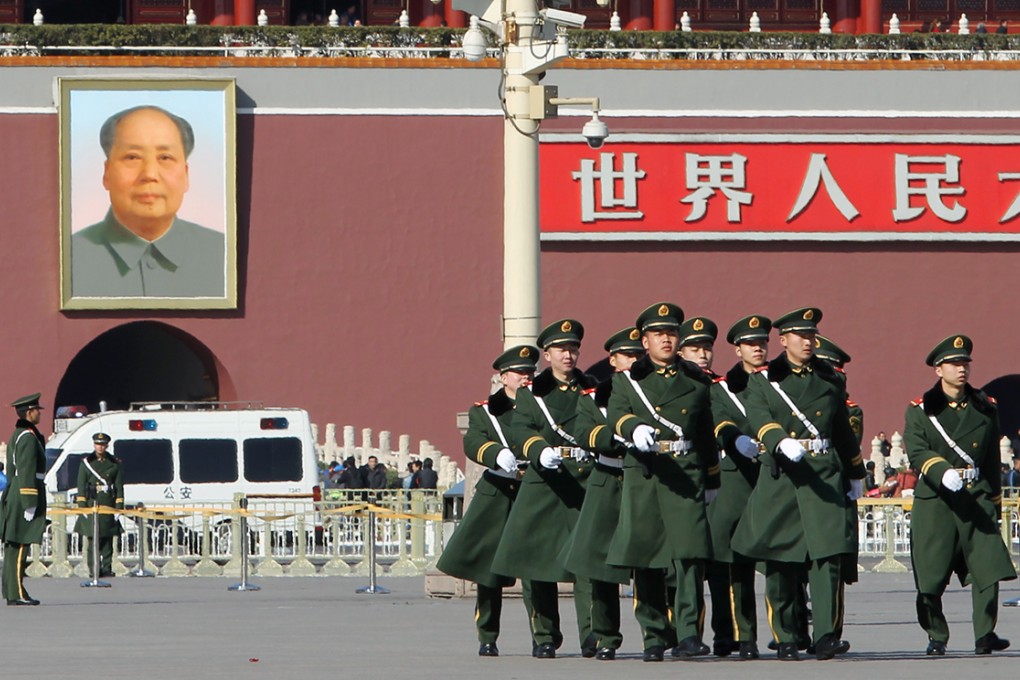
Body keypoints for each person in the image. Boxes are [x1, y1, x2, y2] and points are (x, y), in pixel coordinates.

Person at [731, 308, 865, 661]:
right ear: (783, 340)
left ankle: (826, 636)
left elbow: (841, 429)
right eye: (800, 336)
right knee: (781, 560)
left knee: (828, 556)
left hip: (823, 472)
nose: (807, 342)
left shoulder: (829, 379)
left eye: (811, 336)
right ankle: (786, 636)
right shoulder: (764, 380)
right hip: (783, 475)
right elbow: (759, 417)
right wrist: (778, 441)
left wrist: (855, 472)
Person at [606, 302, 719, 662]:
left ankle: (689, 633)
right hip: (646, 473)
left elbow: (705, 433)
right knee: (647, 558)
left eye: (671, 333)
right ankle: (653, 635)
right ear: (645, 341)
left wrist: (712, 478)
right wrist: (633, 428)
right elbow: (616, 415)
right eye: (658, 334)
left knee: (690, 556)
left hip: (685, 472)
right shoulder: (628, 381)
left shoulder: (696, 382)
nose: (666, 340)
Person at [492, 319, 597, 660]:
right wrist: (538, 449)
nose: (569, 355)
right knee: (537, 565)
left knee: (588, 563)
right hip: (545, 481)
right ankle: (544, 635)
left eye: (573, 349)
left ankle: (594, 634)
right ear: (547, 355)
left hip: (583, 479)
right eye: (561, 350)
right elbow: (521, 429)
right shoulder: (532, 393)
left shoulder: (592, 387)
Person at [904, 334, 1016, 656]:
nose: (961, 369)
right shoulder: (921, 410)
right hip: (936, 499)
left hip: (976, 496)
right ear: (939, 370)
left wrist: (994, 500)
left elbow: (991, 458)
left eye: (965, 363)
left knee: (986, 567)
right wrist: (941, 471)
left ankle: (985, 634)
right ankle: (936, 634)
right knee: (930, 575)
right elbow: (916, 449)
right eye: (954, 364)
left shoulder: (985, 407)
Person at [436, 345, 538, 657]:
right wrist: (496, 454)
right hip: (498, 493)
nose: (525, 377)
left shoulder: (542, 408)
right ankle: (488, 635)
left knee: (536, 569)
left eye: (530, 372)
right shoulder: (485, 412)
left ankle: (543, 636)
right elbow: (474, 442)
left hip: (533, 490)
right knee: (489, 572)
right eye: (519, 373)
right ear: (503, 377)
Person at [71, 105, 226, 299]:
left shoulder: (224, 255)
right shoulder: (68, 258)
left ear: (186, 175)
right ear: (107, 173)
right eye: (133, 157)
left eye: (165, 157)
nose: (150, 174)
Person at [560, 327, 647, 661]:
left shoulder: (654, 394)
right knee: (602, 565)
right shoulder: (594, 396)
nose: (633, 361)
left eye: (638, 355)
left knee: (652, 564)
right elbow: (585, 431)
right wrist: (616, 437)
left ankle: (657, 636)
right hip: (609, 479)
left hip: (646, 479)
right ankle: (605, 636)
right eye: (626, 355)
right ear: (612, 360)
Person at [708, 315, 772, 660]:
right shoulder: (721, 388)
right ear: (737, 350)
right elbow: (720, 421)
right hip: (735, 478)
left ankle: (785, 634)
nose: (757, 349)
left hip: (772, 473)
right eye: (750, 344)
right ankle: (733, 634)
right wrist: (735, 439)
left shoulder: (779, 383)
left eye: (762, 343)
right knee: (730, 562)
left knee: (777, 560)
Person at [677, 314, 734, 657]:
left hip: (719, 480)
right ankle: (688, 634)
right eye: (694, 348)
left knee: (721, 562)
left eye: (707, 348)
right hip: (685, 480)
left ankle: (727, 634)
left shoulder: (722, 387)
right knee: (689, 562)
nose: (703, 354)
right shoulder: (674, 387)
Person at [0, 393, 48, 606]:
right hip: (24, 494)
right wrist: (30, 502)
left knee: (14, 547)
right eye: (37, 410)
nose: (39, 413)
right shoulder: (28, 437)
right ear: (29, 413)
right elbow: (26, 470)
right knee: (19, 546)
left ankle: (14, 590)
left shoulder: (19, 435)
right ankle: (16, 592)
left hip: (16, 492)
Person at [74, 432, 125, 578]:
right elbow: (81, 486)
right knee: (93, 539)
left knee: (108, 539)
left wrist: (118, 508)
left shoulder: (114, 463)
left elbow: (119, 487)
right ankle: (94, 568)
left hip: (108, 503)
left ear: (107, 445)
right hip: (93, 503)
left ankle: (107, 567)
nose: (100, 447)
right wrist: (83, 507)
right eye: (97, 444)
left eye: (102, 444)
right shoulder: (86, 463)